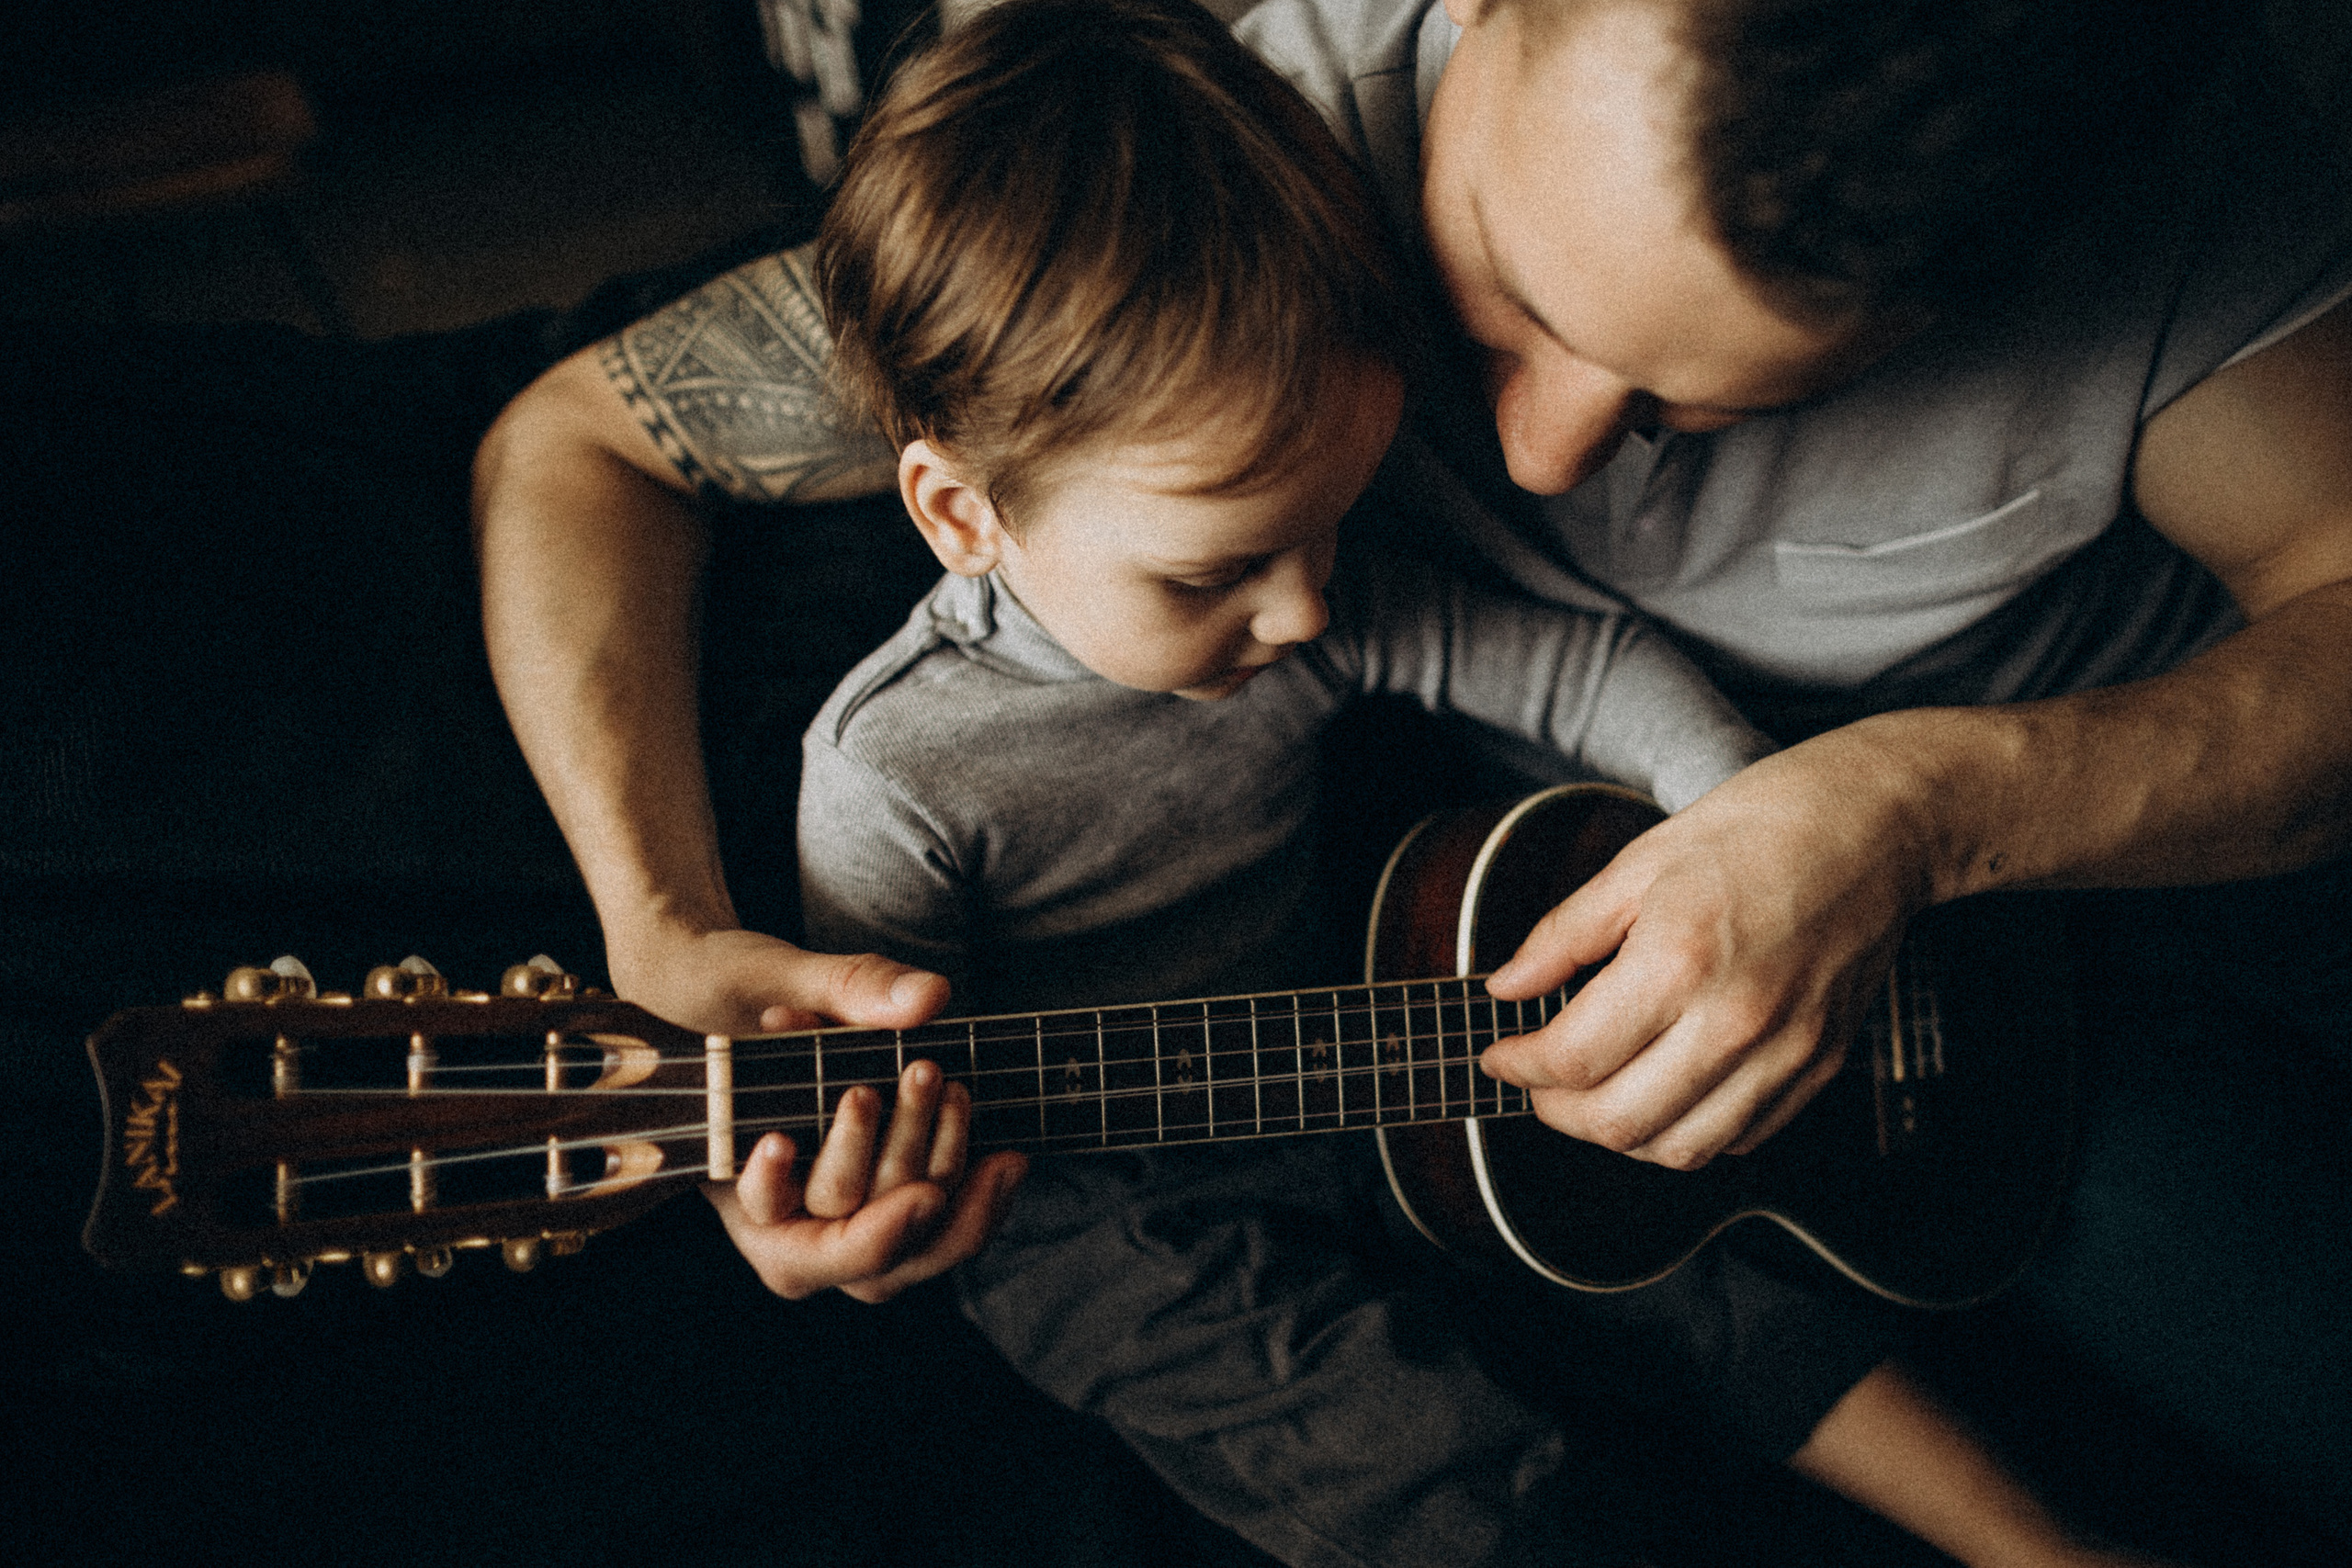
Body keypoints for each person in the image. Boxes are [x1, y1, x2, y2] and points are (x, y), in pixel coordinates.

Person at [469, 0, 2352, 1541]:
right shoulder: (1220, 158)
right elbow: (577, 444)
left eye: (1690, 401)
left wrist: (1912, 809)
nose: (1534, 460)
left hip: (2119, 869)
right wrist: (661, 926)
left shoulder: (2177, 184)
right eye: (1494, 302)